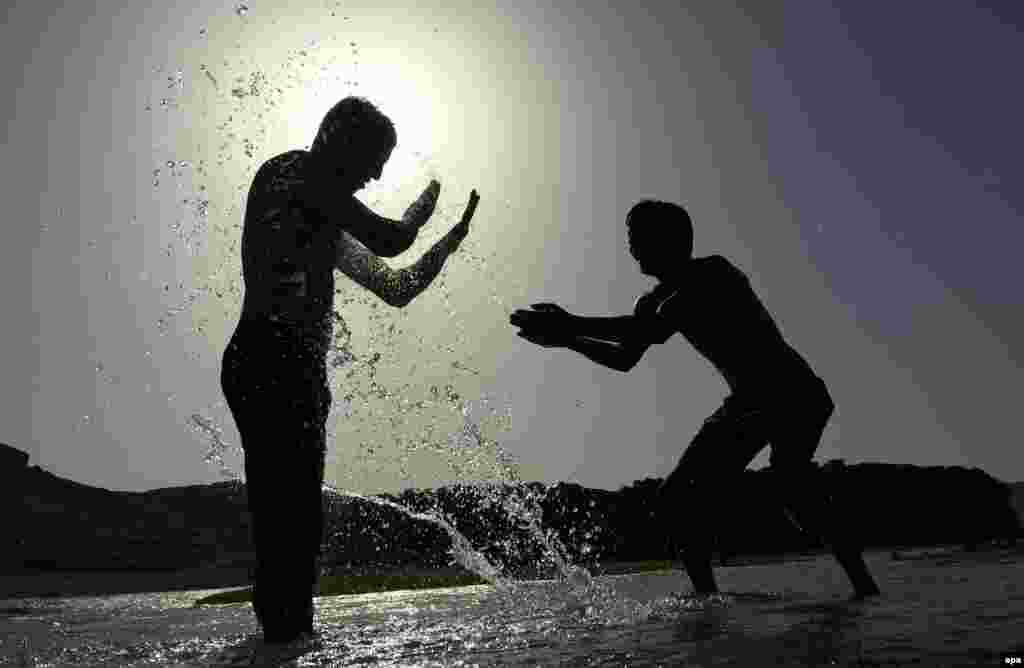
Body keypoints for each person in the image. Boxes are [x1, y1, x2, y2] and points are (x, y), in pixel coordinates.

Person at [510, 199, 880, 600]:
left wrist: (569, 324)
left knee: (790, 483)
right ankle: (709, 599)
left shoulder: (714, 273)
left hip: (794, 393)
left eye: (638, 239)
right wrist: (567, 340)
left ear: (671, 241)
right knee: (676, 501)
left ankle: (864, 590)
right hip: (750, 401)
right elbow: (625, 357)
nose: (631, 249)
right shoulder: (650, 303)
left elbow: (647, 329)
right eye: (630, 239)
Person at [220, 96, 480, 643]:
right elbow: (392, 238)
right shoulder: (293, 171)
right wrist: (423, 209)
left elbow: (397, 287)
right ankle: (284, 638)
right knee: (288, 524)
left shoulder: (321, 221)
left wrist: (450, 243)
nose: (376, 173)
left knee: (291, 525)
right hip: (274, 359)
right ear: (339, 139)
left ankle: (281, 644)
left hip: (282, 368)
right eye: (374, 158)